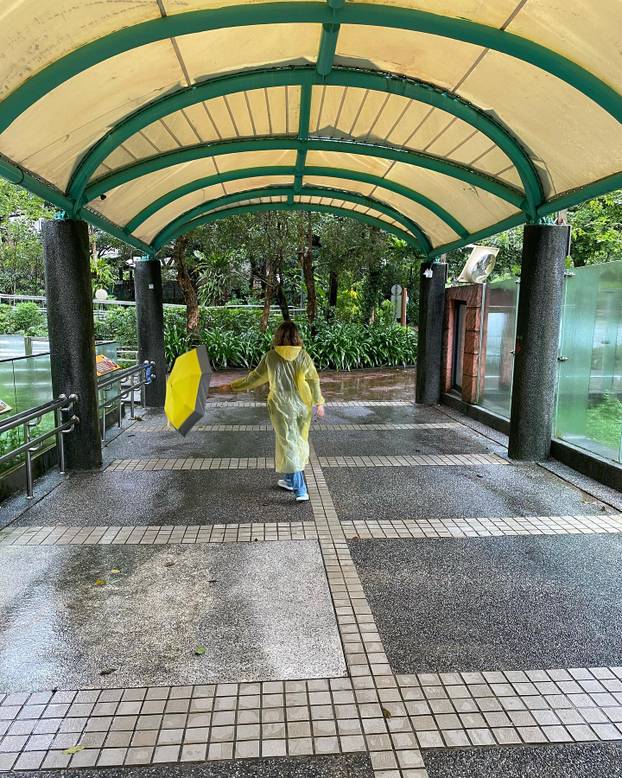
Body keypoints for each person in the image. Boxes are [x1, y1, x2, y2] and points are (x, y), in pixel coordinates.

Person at [221, 322, 324, 501]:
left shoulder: (271, 357)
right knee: (297, 441)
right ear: (296, 336)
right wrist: (319, 403)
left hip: (281, 406)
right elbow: (314, 380)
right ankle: (290, 480)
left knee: (289, 444)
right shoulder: (304, 356)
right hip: (302, 404)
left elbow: (255, 378)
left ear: (278, 336)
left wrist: (232, 386)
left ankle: (301, 490)